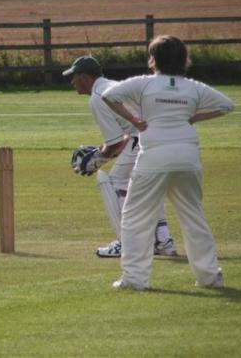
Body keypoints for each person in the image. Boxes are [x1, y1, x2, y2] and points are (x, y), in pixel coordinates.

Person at [102, 35, 233, 290]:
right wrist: (192, 118)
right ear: (184, 60)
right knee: (193, 216)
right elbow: (227, 106)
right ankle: (209, 277)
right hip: (188, 156)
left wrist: (136, 120)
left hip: (154, 155)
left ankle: (134, 279)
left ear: (153, 60)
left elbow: (109, 95)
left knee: (135, 217)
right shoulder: (193, 87)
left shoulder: (144, 84)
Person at [63, 56, 177, 258]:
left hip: (143, 138)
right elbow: (121, 140)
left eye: (74, 77)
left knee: (115, 182)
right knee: (149, 186)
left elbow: (116, 142)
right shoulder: (112, 85)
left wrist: (96, 161)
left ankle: (128, 243)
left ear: (84, 76)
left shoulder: (98, 97)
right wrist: (101, 154)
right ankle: (162, 241)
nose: (72, 82)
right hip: (162, 136)